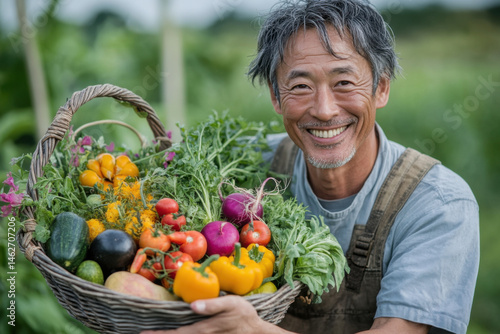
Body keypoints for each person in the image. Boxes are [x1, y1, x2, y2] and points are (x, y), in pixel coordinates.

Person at [142, 0, 479, 333]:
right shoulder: (239, 166)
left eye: (344, 83)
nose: (324, 110)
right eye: (301, 86)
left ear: (381, 88)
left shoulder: (437, 203)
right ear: (276, 97)